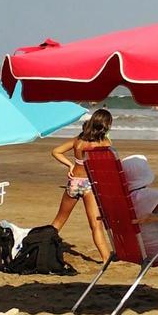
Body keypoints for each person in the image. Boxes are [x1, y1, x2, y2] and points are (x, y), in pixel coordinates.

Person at [49, 108, 113, 262]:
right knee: (95, 224)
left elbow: (56, 151)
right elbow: (106, 167)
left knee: (59, 220)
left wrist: (71, 166)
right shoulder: (105, 143)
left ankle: (44, 246)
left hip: (74, 182)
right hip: (90, 184)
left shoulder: (79, 140)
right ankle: (105, 258)